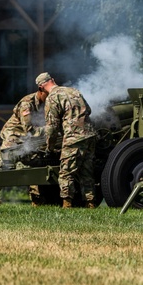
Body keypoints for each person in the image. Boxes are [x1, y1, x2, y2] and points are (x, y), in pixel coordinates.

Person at [0, 89, 49, 206]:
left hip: (31, 140)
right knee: (3, 169)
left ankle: (37, 201)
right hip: (14, 139)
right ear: (41, 91)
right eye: (48, 94)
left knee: (33, 168)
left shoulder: (47, 102)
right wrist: (50, 130)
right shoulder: (27, 103)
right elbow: (29, 128)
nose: (50, 97)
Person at [39, 73, 97, 208]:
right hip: (90, 135)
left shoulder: (52, 98)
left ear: (41, 87)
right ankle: (91, 203)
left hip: (73, 138)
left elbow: (52, 127)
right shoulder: (74, 90)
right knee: (86, 171)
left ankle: (67, 204)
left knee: (66, 173)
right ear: (53, 80)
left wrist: (50, 147)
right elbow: (88, 110)